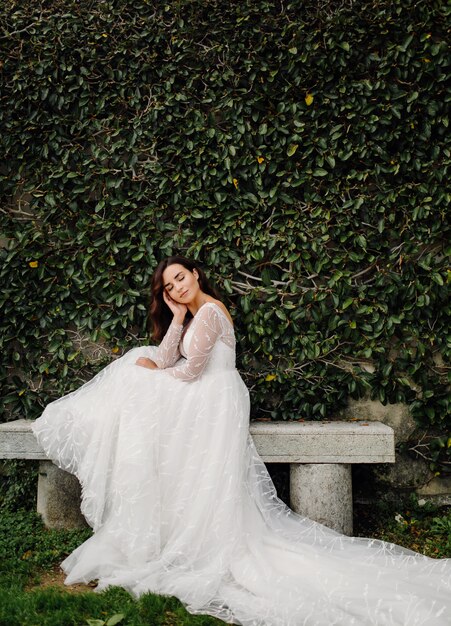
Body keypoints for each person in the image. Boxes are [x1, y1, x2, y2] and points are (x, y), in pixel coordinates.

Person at [32, 256, 451, 625]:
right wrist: (175, 321)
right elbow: (164, 358)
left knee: (133, 378)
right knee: (137, 369)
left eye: (181, 277)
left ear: (196, 274)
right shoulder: (193, 316)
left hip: (212, 398)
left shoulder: (212, 313)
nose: (177, 287)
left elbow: (188, 371)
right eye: (168, 286)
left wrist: (149, 376)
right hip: (205, 397)